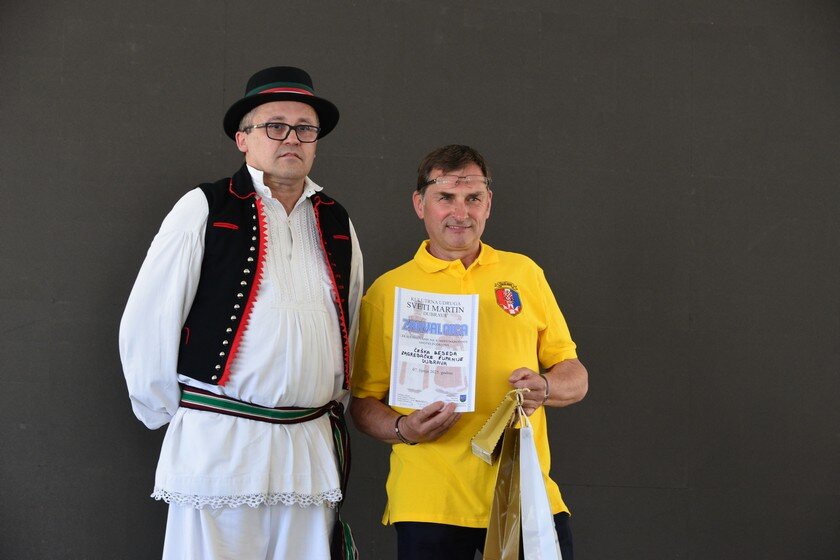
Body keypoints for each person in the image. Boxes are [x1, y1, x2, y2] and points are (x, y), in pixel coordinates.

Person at [119, 66, 362, 559]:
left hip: (307, 445)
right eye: (275, 125)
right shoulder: (205, 207)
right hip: (220, 441)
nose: (291, 138)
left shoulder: (336, 220)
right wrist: (174, 412)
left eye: (305, 128)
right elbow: (149, 317)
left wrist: (330, 397)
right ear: (243, 139)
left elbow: (351, 321)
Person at [350, 144, 587, 560]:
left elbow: (575, 374)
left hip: (523, 493)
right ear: (420, 204)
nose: (461, 212)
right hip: (429, 499)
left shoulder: (524, 273)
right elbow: (363, 402)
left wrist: (546, 387)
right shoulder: (387, 292)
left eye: (473, 198)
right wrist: (404, 429)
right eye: (446, 197)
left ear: (488, 204)